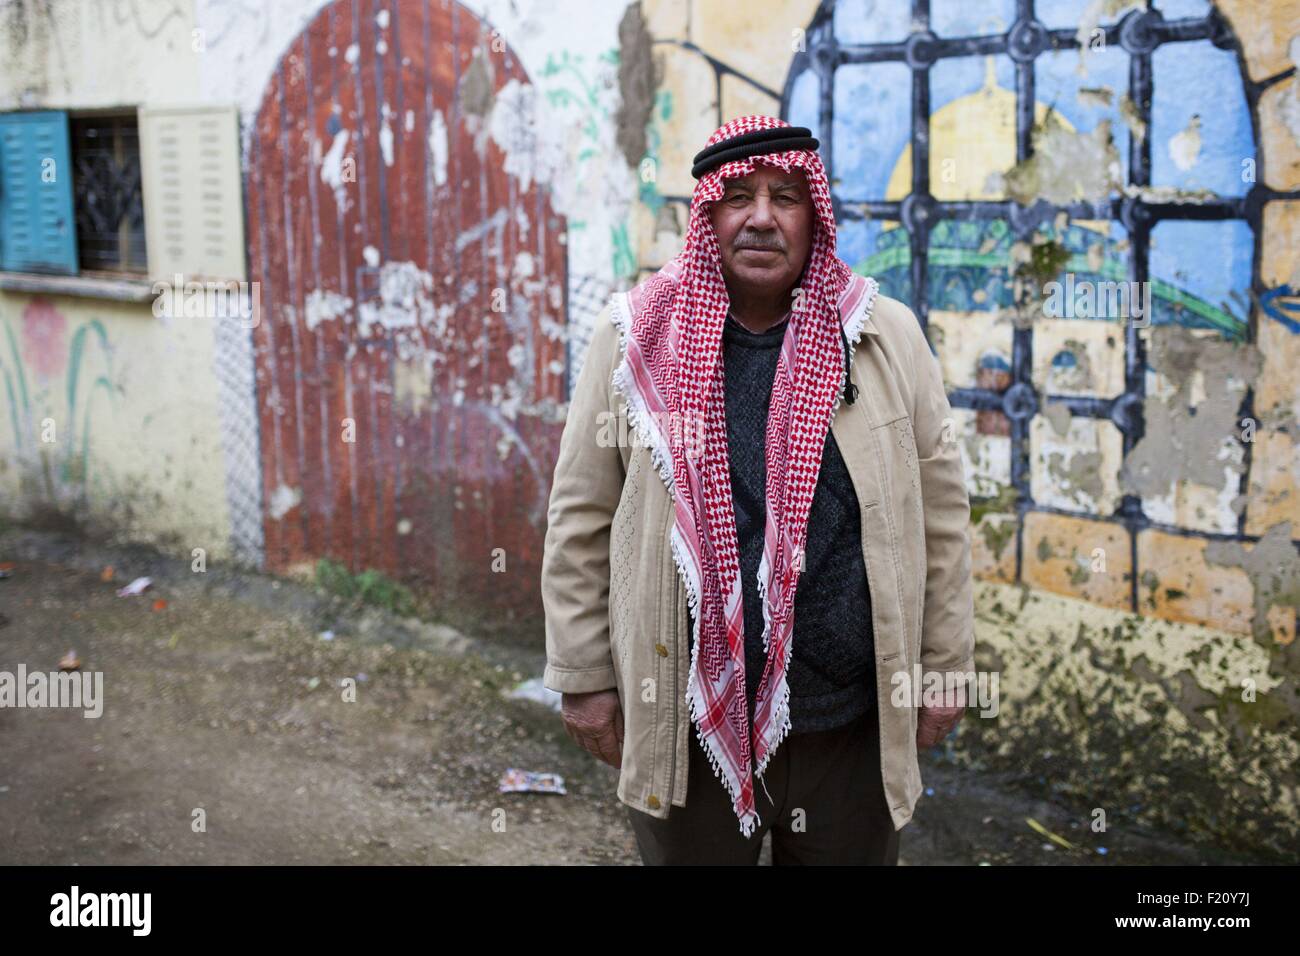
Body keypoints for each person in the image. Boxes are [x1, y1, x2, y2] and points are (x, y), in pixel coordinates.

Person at [540, 115, 975, 865]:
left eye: (786, 196)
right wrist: (583, 678)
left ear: (816, 215)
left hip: (850, 728)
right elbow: (581, 514)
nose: (762, 217)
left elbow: (941, 516)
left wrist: (944, 669)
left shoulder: (884, 336)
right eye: (737, 196)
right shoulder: (633, 340)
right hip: (687, 725)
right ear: (707, 215)